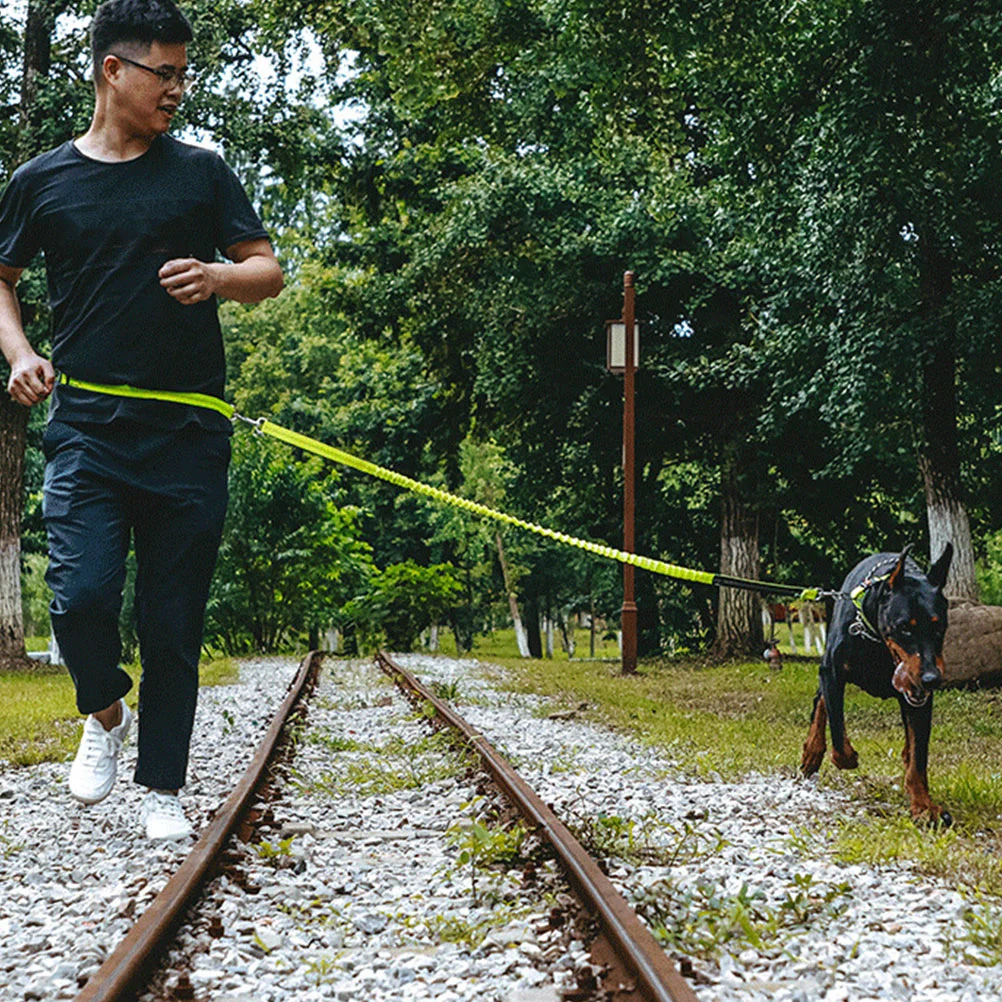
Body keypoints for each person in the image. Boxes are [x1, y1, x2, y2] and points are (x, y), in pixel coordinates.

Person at [0, 0, 283, 840]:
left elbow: (266, 270)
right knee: (80, 601)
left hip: (190, 436)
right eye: (165, 72)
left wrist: (218, 278)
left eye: (185, 73)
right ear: (112, 71)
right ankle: (105, 713)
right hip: (87, 428)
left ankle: (163, 790)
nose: (178, 90)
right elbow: (1, 278)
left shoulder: (201, 173)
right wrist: (18, 355)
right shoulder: (40, 181)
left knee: (172, 620)